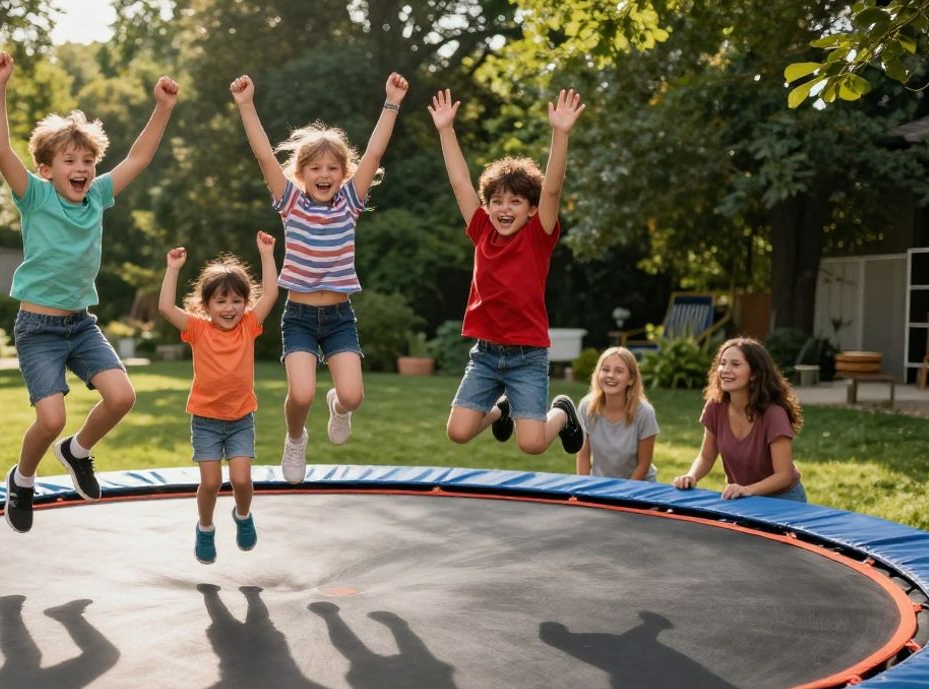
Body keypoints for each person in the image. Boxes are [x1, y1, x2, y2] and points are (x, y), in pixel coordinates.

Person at [0, 50, 178, 532]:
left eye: (88, 161)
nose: (82, 167)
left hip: (80, 323)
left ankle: (77, 451)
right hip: (39, 329)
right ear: (47, 168)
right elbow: (0, 150)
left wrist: (163, 108)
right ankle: (22, 480)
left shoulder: (98, 197)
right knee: (48, 419)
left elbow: (140, 156)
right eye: (70, 160)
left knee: (121, 397)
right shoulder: (35, 195)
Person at [230, 71, 409, 484]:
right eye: (315, 168)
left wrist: (392, 103)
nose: (324, 174)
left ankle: (338, 407)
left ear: (343, 174)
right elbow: (263, 157)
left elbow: (376, 155)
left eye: (332, 167)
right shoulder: (290, 203)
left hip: (339, 317)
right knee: (302, 393)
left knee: (352, 396)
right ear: (301, 173)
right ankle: (295, 439)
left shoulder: (349, 203)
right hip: (300, 319)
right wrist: (246, 106)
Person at [427, 88, 587, 455]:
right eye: (496, 201)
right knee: (459, 432)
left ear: (530, 209)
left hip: (527, 356)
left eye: (515, 201)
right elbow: (460, 182)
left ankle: (562, 413)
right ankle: (503, 410)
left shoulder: (538, 236)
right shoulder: (482, 230)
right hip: (485, 354)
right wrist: (446, 129)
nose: (504, 208)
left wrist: (560, 134)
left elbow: (553, 190)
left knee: (531, 444)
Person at [158, 232, 280, 564]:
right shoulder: (198, 329)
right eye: (221, 301)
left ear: (245, 302)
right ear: (207, 304)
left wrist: (267, 255)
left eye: (237, 300)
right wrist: (173, 268)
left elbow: (270, 293)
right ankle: (206, 527)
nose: (230, 308)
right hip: (207, 421)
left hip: (241, 419)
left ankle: (242, 516)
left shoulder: (249, 326)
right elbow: (166, 308)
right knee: (210, 483)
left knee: (241, 479)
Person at [673, 337, 807, 501]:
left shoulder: (774, 414)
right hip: (743, 497)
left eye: (735, 364)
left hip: (783, 499)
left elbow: (784, 475)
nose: (725, 370)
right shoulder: (715, 407)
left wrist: (747, 490)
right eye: (722, 363)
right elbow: (706, 457)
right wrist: (691, 476)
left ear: (754, 374)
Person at [576, 347, 659, 481]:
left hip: (637, 485)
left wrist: (623, 495)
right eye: (605, 369)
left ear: (631, 379)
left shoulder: (645, 413)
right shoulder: (586, 407)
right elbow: (583, 457)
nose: (610, 375)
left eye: (619, 371)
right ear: (598, 374)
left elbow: (643, 465)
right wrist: (584, 489)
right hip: (600, 483)